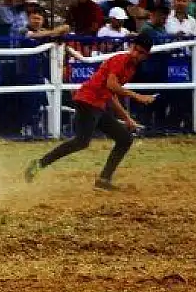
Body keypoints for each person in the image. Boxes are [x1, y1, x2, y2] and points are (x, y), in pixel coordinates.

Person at [23, 33, 156, 191]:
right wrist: (137, 97)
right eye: (135, 49)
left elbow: (110, 94)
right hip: (88, 102)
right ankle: (39, 164)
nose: (136, 54)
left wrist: (126, 118)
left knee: (124, 139)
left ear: (146, 55)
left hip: (96, 104)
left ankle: (103, 179)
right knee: (82, 141)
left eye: (141, 52)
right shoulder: (121, 61)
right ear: (132, 47)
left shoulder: (130, 67)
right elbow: (112, 85)